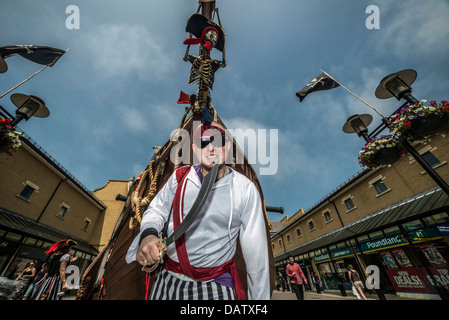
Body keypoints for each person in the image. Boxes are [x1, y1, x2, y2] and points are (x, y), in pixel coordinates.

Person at [126, 121, 270, 300]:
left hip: (215, 286)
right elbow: (156, 210)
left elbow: (257, 257)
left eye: (217, 142)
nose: (211, 148)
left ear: (228, 147)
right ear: (194, 149)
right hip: (167, 281)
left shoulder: (245, 189)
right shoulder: (179, 178)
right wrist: (148, 234)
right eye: (203, 143)